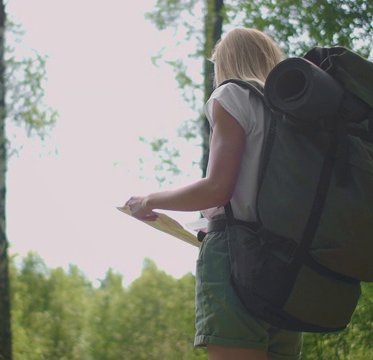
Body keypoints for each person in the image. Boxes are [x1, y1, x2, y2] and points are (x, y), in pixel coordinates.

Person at [125, 28, 302, 360]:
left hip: (236, 261)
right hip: (286, 267)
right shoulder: (295, 116)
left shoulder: (233, 96)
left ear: (226, 63)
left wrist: (148, 200)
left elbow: (216, 189)